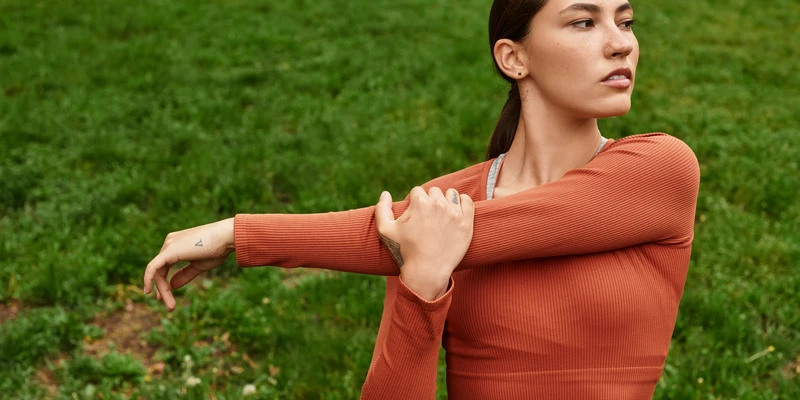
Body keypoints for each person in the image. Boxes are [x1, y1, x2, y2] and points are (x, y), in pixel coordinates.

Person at [143, 0, 700, 398]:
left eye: (625, 21)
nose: (621, 40)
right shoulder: (435, 215)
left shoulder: (658, 170)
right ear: (514, 58)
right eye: (584, 21)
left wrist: (240, 234)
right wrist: (421, 286)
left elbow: (500, 230)